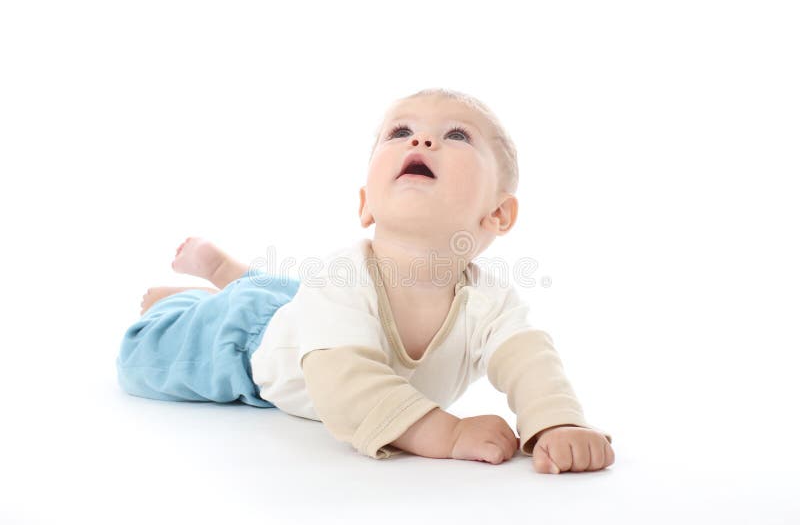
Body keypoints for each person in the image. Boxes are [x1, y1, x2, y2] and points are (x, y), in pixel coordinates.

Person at [117, 88, 615, 475]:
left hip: (304, 311)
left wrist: (557, 420)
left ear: (500, 214)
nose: (421, 140)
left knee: (293, 298)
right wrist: (446, 434)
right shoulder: (342, 278)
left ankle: (226, 277)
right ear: (365, 206)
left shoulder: (490, 301)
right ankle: (183, 305)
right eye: (400, 131)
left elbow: (528, 359)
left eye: (458, 135)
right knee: (145, 356)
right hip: (247, 343)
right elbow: (344, 387)